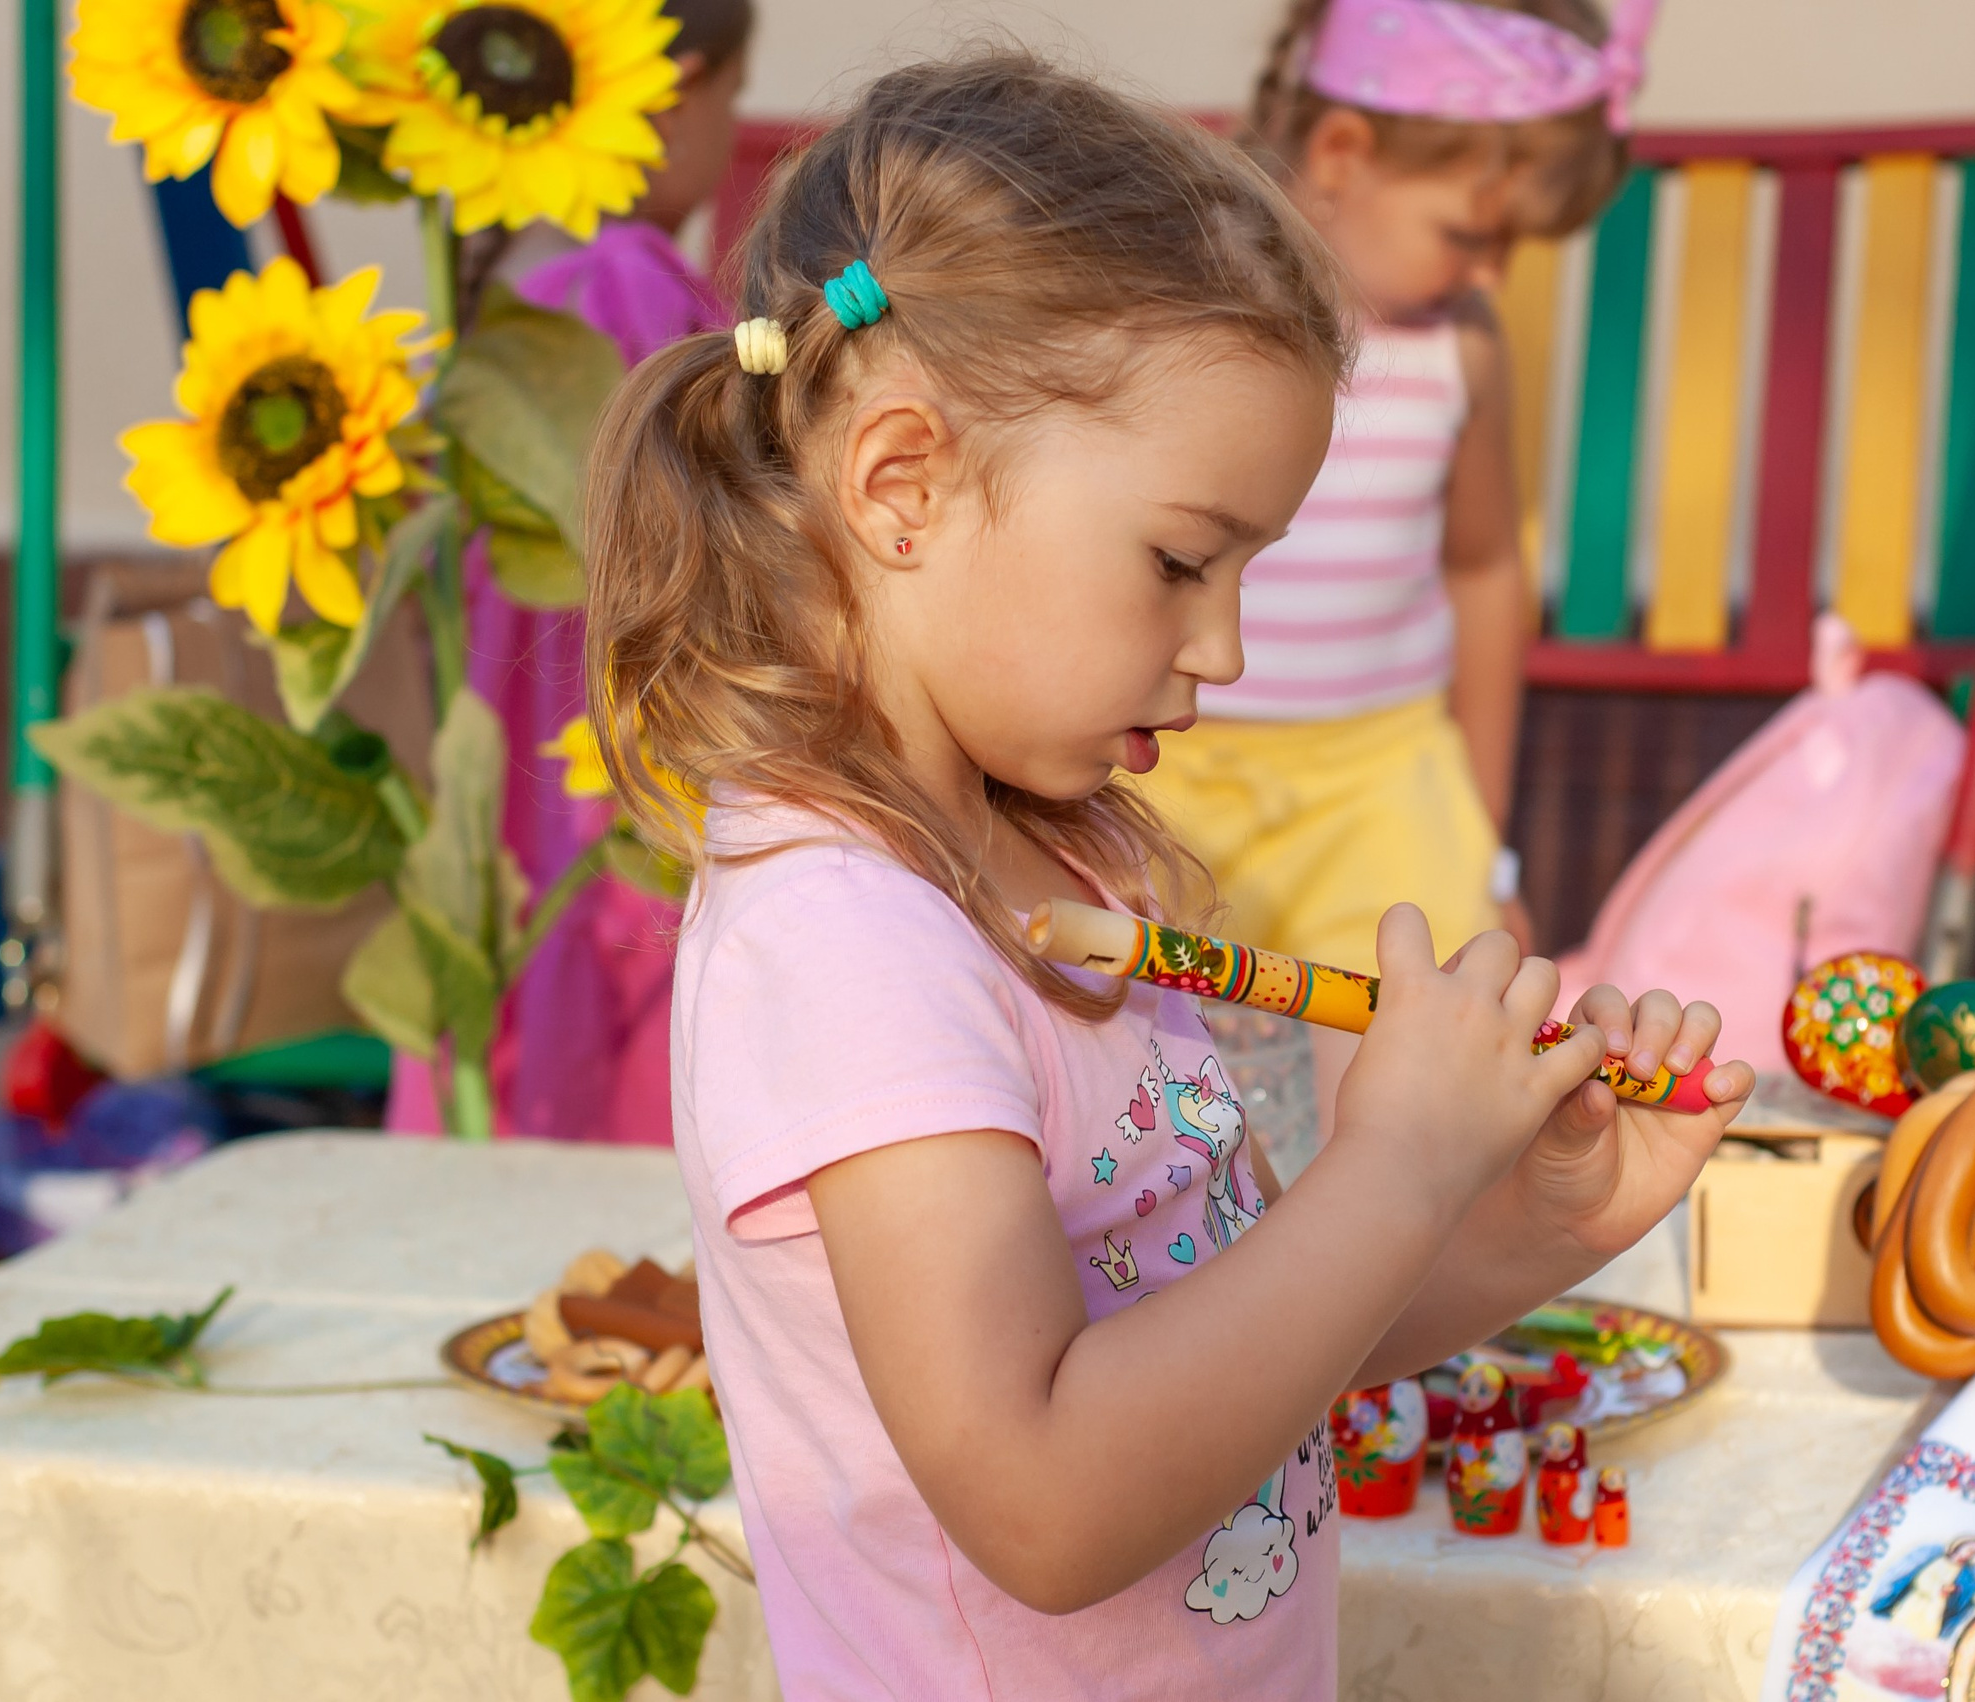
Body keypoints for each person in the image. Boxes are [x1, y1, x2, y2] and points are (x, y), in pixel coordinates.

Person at [579, 54, 1747, 1700]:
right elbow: (1049, 1499)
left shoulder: (1039, 848)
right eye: (1181, 561)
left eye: (1247, 571)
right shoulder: (842, 934)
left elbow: (1226, 1351)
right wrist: (1396, 1162)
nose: (1228, 648)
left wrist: (1526, 1227)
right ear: (902, 482)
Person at [1132, 0, 1646, 979]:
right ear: (1340, 153)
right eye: (1468, 234)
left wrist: (1481, 841)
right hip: (1167, 759)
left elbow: (1485, 569)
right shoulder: (1178, 312)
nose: (1491, 272)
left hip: (1376, 778)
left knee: (1432, 1007)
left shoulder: (1461, 343)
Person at [384, 0, 748, 1142]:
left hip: (507, 749)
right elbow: (703, 540)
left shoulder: (504, 282)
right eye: (731, 105)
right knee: (620, 1045)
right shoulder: (623, 284)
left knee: (511, 1046)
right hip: (622, 746)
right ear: (677, 83)